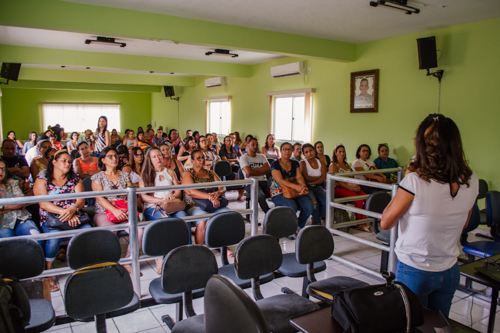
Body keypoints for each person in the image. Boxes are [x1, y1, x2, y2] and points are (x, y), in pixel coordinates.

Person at [381, 113, 479, 317]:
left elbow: (386, 221)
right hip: (450, 270)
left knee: (410, 325)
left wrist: (406, 179)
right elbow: (464, 224)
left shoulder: (415, 181)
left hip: (415, 270)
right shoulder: (471, 179)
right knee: (437, 326)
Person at [33, 150, 92, 292]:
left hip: (74, 215)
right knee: (54, 237)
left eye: (69, 161)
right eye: (63, 161)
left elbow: (81, 200)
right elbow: (43, 204)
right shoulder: (42, 179)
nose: (67, 163)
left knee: (87, 232)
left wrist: (73, 209)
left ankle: (83, 267)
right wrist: (66, 213)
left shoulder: (75, 178)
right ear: (54, 162)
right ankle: (48, 273)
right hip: (51, 218)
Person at [91, 146, 143, 274]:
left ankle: (128, 261)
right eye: (110, 156)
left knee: (139, 231)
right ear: (102, 160)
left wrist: (128, 208)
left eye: (115, 156)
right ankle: (110, 262)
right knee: (110, 233)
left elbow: (132, 194)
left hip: (125, 209)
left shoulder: (125, 175)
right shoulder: (97, 177)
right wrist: (114, 210)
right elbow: (100, 199)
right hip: (105, 211)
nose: (114, 159)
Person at [139, 147, 189, 271]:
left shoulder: (170, 172)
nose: (158, 158)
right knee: (164, 222)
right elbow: (144, 196)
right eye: (154, 156)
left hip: (172, 205)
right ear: (149, 160)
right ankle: (160, 256)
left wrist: (171, 196)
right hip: (153, 207)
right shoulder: (145, 174)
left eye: (159, 155)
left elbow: (178, 191)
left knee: (185, 219)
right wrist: (160, 201)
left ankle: (186, 252)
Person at [182, 149, 229, 245]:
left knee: (227, 215)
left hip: (213, 204)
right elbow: (191, 192)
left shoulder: (211, 173)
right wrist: (210, 197)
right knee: (202, 220)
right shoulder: (188, 173)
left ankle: (223, 247)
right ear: (192, 161)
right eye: (198, 158)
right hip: (195, 206)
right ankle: (200, 250)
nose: (201, 160)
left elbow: (222, 187)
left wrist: (217, 194)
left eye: (203, 157)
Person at [270, 142, 313, 232]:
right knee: (291, 207)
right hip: (278, 192)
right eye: (284, 149)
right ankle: (288, 228)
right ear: (281, 151)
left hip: (295, 191)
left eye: (289, 149)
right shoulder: (275, 164)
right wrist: (297, 187)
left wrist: (303, 187)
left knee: (309, 206)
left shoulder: (295, 163)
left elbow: (299, 177)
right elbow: (280, 180)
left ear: (292, 151)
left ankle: (297, 226)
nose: (287, 151)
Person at [0, 158, 41, 240]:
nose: (1, 172)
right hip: (3, 223)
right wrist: (14, 206)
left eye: (3, 169)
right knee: (8, 245)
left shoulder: (12, 183)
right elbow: (17, 204)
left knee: (36, 238)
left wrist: (2, 207)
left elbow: (21, 202)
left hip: (22, 219)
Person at [329, 144, 368, 225]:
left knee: (366, 198)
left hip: (349, 186)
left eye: (343, 151)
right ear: (335, 153)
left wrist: (356, 186)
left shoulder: (346, 164)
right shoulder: (333, 165)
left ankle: (362, 220)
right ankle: (360, 223)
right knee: (359, 200)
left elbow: (351, 177)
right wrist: (351, 189)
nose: (342, 153)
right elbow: (339, 182)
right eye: (339, 151)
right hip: (338, 188)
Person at [239, 138, 271, 213]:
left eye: (257, 145)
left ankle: (280, 211)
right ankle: (269, 213)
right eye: (253, 144)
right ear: (248, 145)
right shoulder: (244, 157)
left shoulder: (262, 156)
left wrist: (253, 171)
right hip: (252, 183)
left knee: (279, 192)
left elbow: (268, 169)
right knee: (260, 195)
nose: (255, 146)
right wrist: (262, 170)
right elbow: (249, 172)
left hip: (264, 182)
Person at [299, 144, 326, 225]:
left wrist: (313, 181)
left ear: (314, 151)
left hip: (318, 187)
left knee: (326, 203)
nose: (309, 153)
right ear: (304, 154)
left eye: (311, 150)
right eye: (306, 152)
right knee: (315, 204)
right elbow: (306, 178)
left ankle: (315, 217)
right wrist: (318, 177)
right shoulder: (303, 163)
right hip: (308, 188)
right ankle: (317, 221)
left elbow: (324, 177)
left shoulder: (321, 162)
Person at [219, 135, 245, 201]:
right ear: (224, 142)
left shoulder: (233, 151)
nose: (228, 142)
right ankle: (240, 194)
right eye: (227, 140)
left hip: (235, 168)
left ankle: (241, 195)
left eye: (230, 140)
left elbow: (237, 159)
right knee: (236, 177)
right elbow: (225, 161)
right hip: (227, 170)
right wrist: (234, 161)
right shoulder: (222, 151)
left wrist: (233, 162)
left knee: (243, 176)